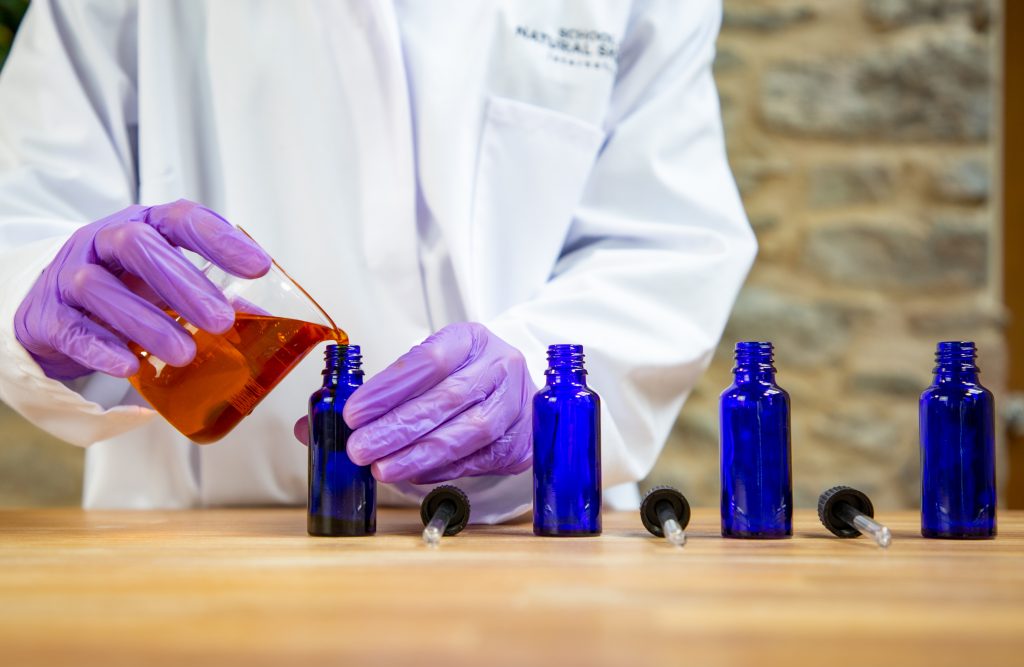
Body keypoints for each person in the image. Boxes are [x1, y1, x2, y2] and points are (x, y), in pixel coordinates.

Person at [0, 0, 755, 522]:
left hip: (529, 530)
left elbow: (666, 240)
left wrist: (535, 379)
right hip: (195, 538)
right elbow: (21, 210)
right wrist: (41, 284)